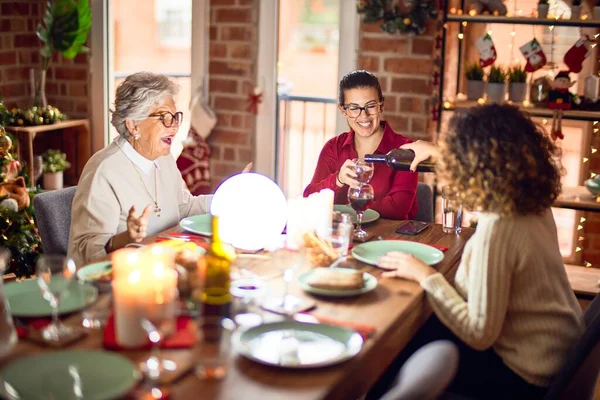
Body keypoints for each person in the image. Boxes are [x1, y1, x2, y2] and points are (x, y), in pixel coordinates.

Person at [367, 104, 584, 400]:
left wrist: (425, 275)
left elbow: (478, 333)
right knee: (424, 333)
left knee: (395, 357)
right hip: (557, 354)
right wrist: (438, 150)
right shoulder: (532, 203)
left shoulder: (498, 229)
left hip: (527, 377)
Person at [68, 72, 250, 266]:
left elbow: (184, 207)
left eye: (175, 117)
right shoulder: (104, 171)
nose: (174, 127)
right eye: (164, 117)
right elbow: (86, 251)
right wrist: (126, 237)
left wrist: (229, 196)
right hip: (123, 278)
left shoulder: (164, 159)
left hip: (162, 267)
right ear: (133, 125)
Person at [303, 70, 418, 220]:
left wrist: (347, 211)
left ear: (381, 106)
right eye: (354, 108)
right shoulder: (333, 147)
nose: (364, 116)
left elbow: (397, 209)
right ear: (343, 111)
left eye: (370, 106)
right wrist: (338, 180)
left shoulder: (405, 150)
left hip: (387, 239)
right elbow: (310, 198)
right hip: (341, 238)